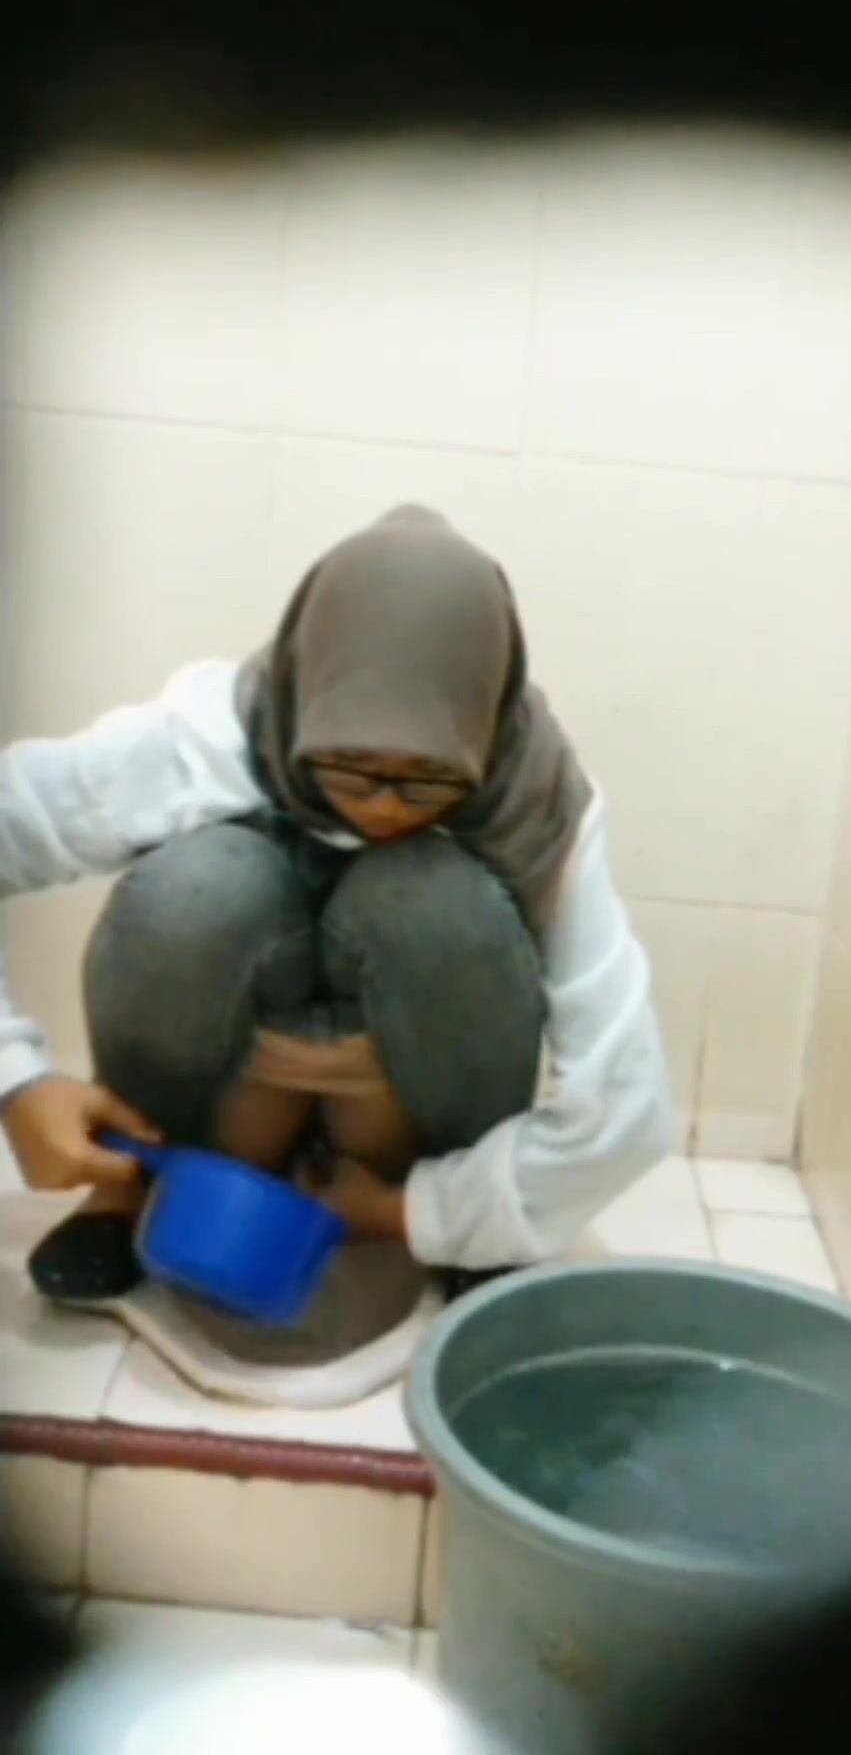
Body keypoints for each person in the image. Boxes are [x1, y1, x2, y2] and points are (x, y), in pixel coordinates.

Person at [0, 504, 672, 1303]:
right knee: (201, 885)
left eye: (430, 777)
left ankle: (464, 1231)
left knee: (432, 897)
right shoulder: (210, 734)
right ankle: (135, 1185)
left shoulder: (540, 800)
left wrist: (417, 1213)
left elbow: (627, 1102)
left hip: (403, 1130)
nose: (384, 805)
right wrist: (17, 1081)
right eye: (349, 766)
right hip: (221, 1108)